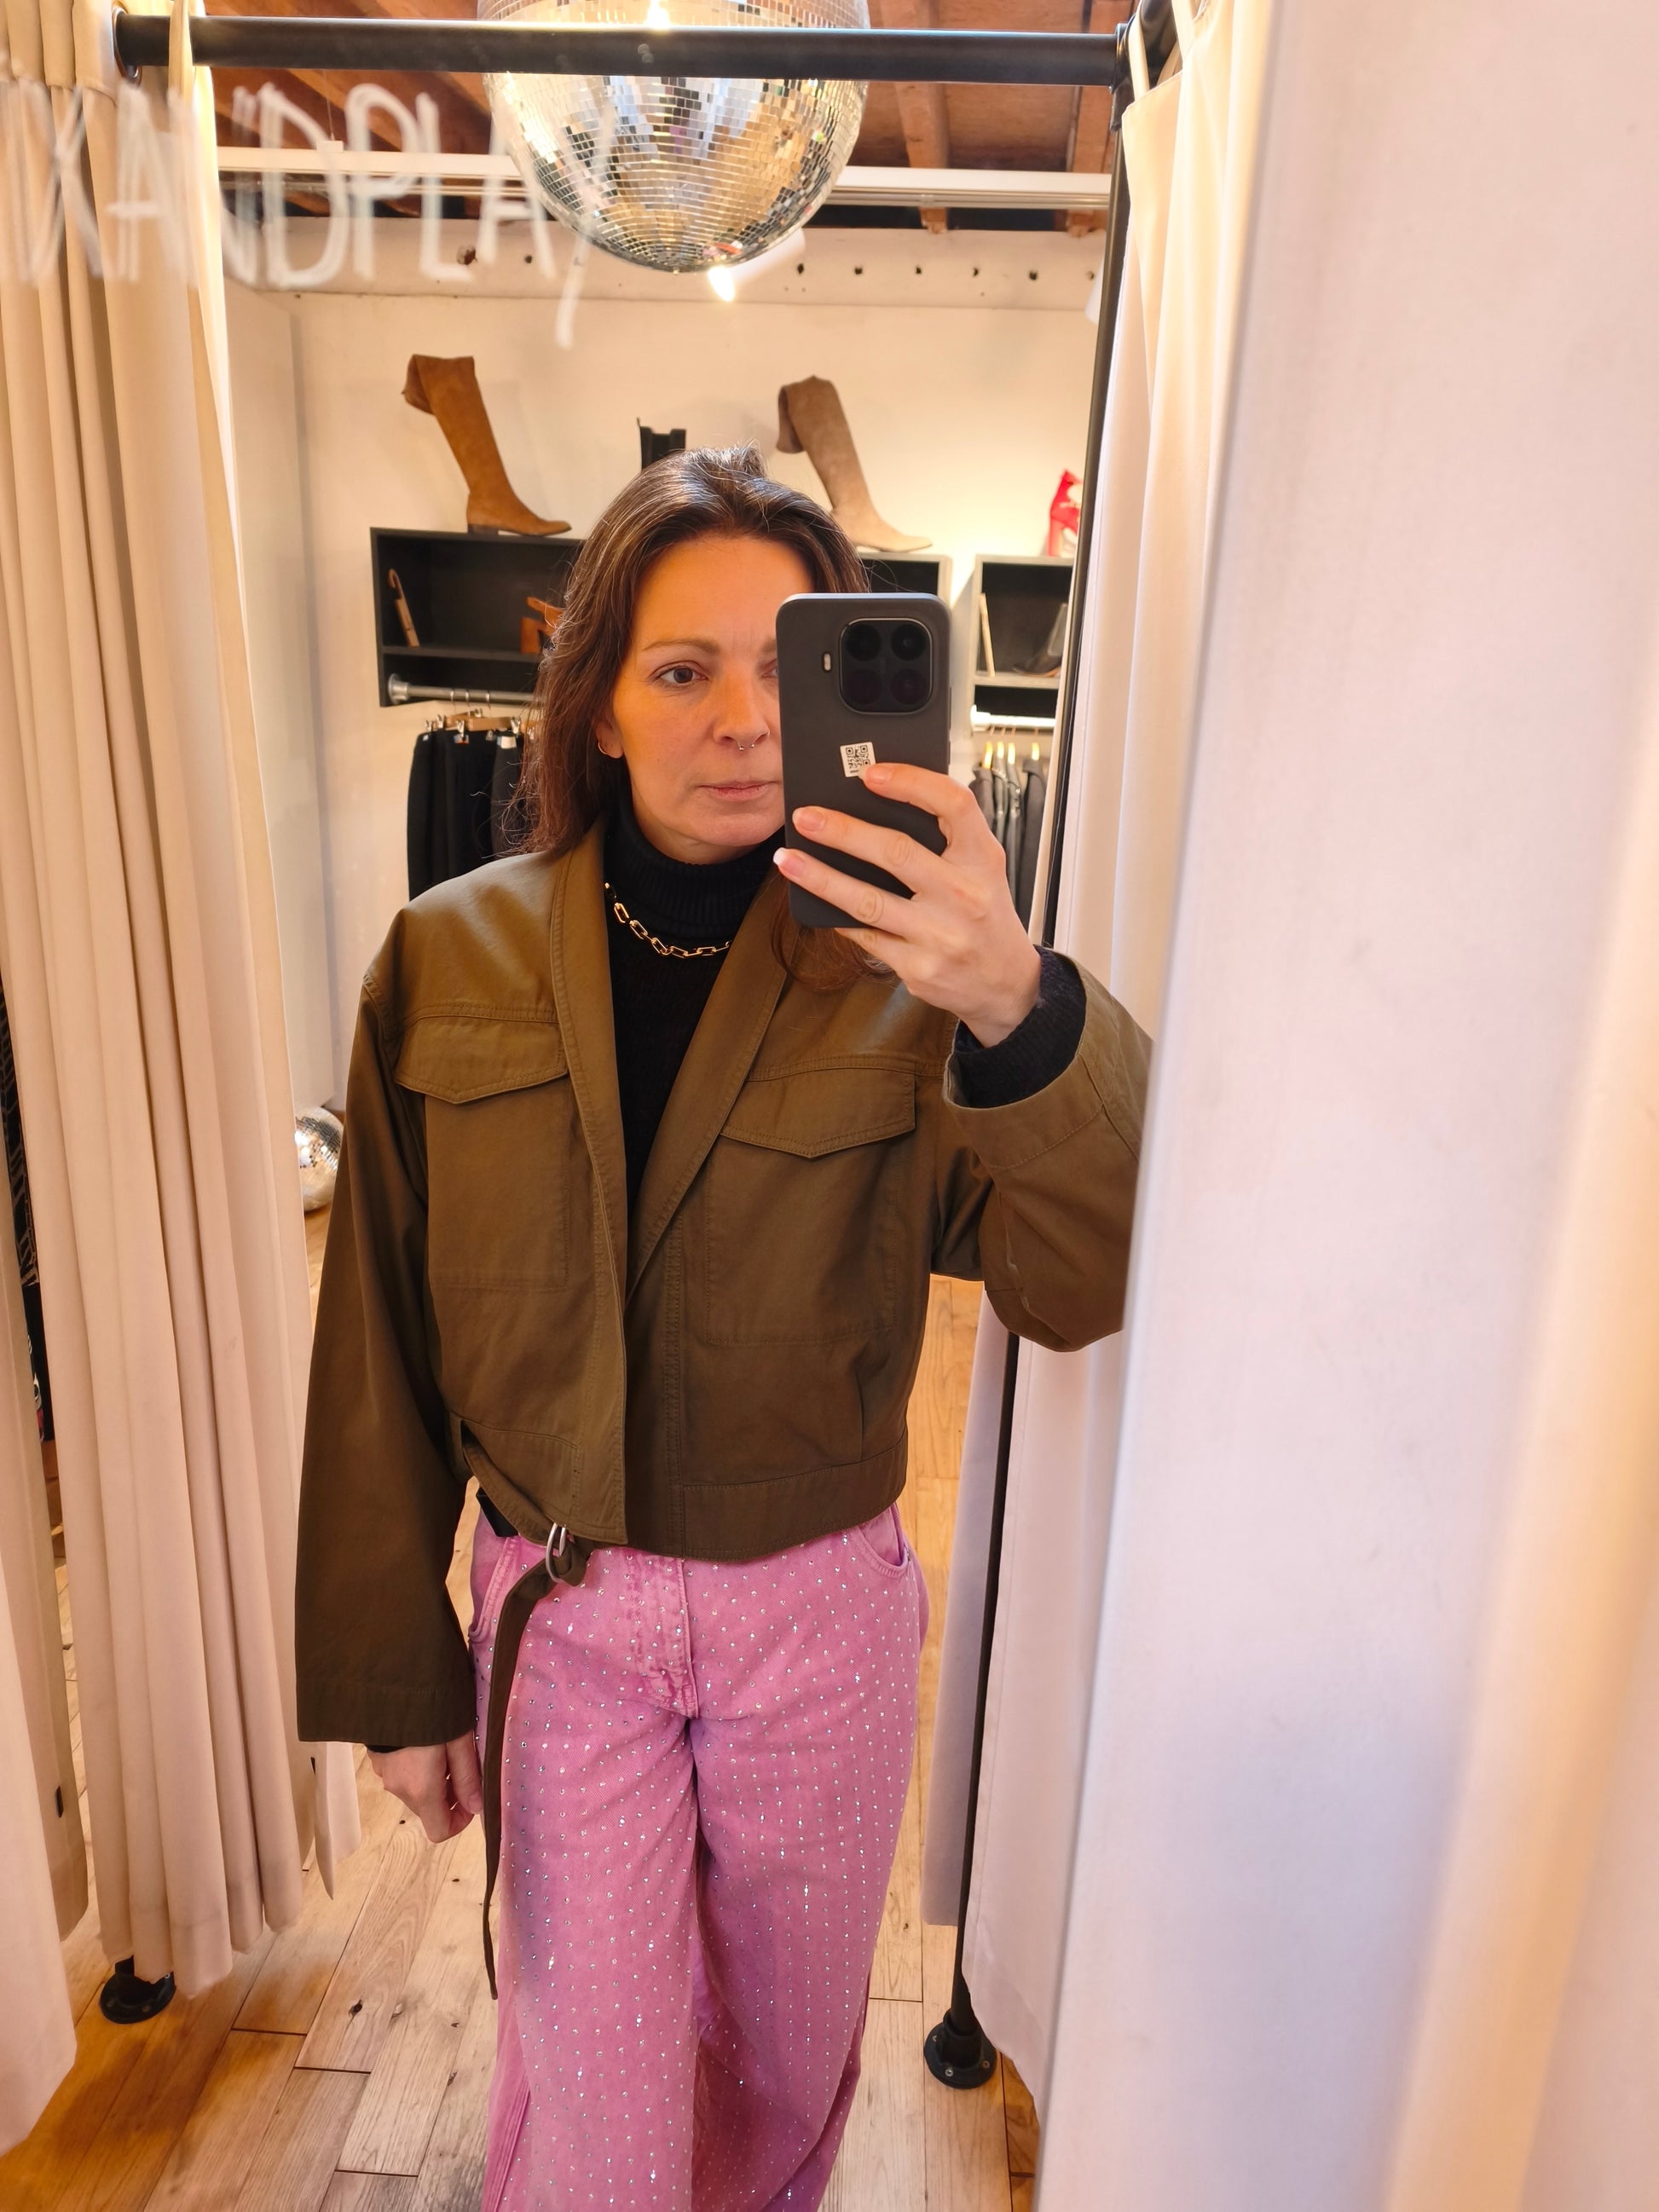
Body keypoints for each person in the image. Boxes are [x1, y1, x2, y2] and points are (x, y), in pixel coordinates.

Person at [296, 445, 1149, 2211]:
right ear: (599, 701)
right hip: (567, 1618)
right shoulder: (445, 958)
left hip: (815, 1620)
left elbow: (1078, 1283)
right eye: (683, 668)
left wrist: (1017, 999)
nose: (745, 719)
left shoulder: (916, 977)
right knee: (595, 2096)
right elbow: (375, 1330)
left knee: (779, 2064)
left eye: (785, 667)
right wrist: (393, 1669)